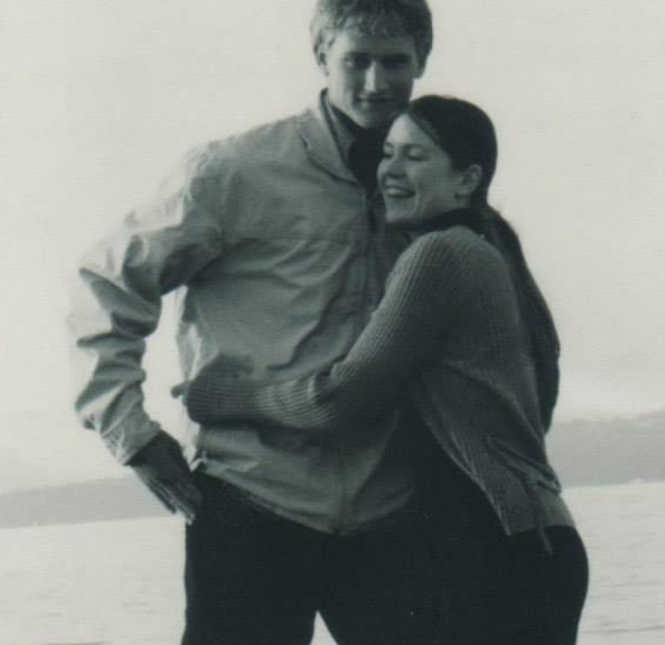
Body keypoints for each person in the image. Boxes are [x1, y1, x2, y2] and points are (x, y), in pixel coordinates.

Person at [69, 2, 439, 644]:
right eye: (357, 60)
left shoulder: (428, 184)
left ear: (421, 63)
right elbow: (107, 284)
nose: (376, 82)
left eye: (395, 62)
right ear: (322, 57)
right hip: (251, 503)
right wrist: (130, 432)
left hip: (391, 512)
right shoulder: (232, 171)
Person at [186, 95, 590, 644]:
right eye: (389, 154)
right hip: (535, 540)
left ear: (467, 179)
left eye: (415, 157)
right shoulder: (488, 251)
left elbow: (339, 399)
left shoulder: (439, 257)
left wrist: (222, 399)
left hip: (501, 548)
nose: (391, 171)